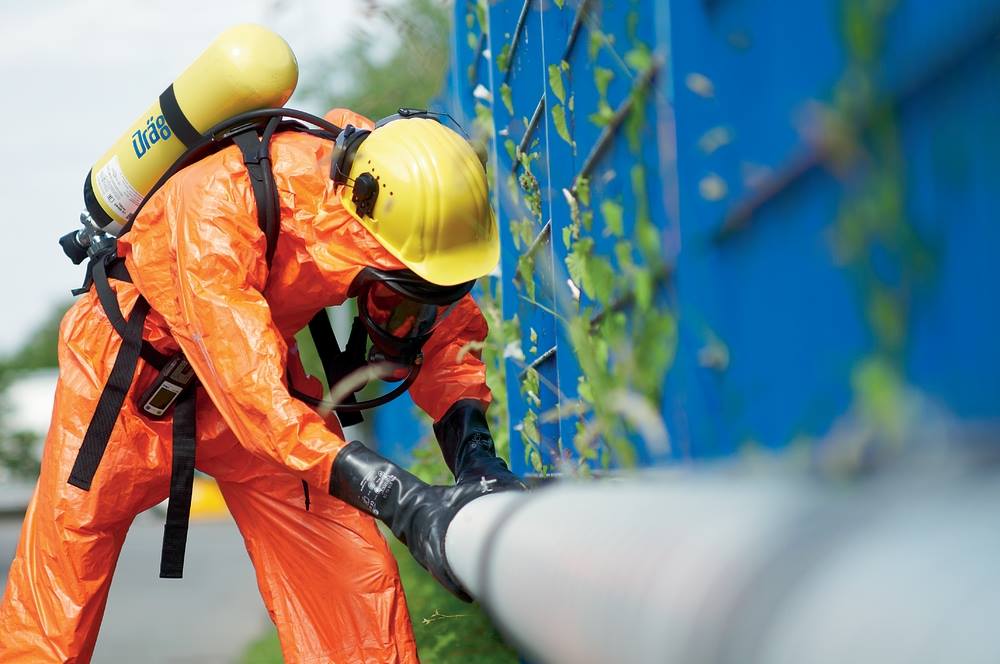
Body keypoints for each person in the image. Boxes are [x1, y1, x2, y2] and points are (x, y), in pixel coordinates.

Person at [0, 107, 522, 663]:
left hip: (252, 370)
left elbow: (449, 330)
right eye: (400, 295)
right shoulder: (218, 206)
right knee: (59, 587)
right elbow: (257, 400)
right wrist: (405, 502)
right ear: (363, 228)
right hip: (126, 378)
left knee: (344, 570)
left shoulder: (402, 201)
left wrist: (477, 458)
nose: (405, 316)